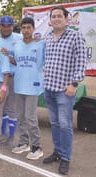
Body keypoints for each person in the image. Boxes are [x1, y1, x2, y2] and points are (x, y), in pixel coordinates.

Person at [42, 6, 87, 175]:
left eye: (60, 16)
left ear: (67, 19)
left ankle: (66, 158)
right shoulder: (47, 38)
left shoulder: (75, 36)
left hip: (64, 91)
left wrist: (74, 84)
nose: (56, 18)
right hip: (49, 88)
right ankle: (58, 151)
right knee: (54, 123)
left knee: (65, 125)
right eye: (54, 16)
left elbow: (81, 63)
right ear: (50, 20)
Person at [10, 17, 45, 160]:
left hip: (33, 85)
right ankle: (24, 143)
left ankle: (37, 147)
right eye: (23, 27)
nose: (26, 30)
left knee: (31, 117)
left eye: (28, 27)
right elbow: (13, 60)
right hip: (19, 85)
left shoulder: (41, 44)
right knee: (20, 117)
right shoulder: (16, 45)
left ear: (33, 28)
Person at [0, 15, 23, 146]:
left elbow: (25, 59)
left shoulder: (19, 38)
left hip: (13, 78)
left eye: (9, 25)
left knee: (11, 107)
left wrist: (12, 57)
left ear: (13, 26)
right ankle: (3, 134)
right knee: (1, 107)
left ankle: (11, 137)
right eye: (3, 25)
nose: (6, 28)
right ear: (0, 26)